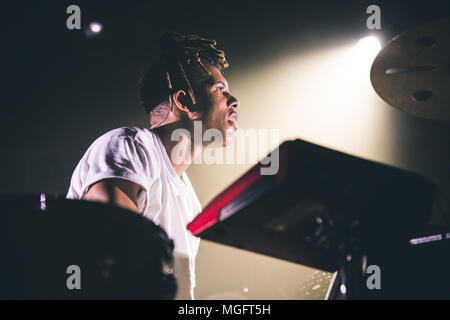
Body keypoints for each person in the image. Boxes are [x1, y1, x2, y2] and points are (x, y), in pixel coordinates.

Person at [66, 31, 240, 299]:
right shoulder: (132, 146)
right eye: (219, 89)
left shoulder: (191, 202)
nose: (233, 100)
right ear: (183, 100)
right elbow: (108, 250)